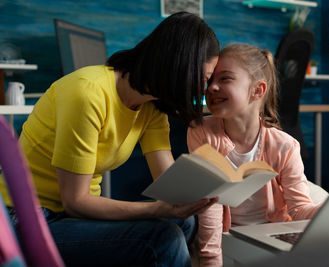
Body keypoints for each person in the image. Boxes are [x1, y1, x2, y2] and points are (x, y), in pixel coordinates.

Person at [0, 12, 219, 267]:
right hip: (28, 219)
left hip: (71, 215)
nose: (203, 90)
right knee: (164, 238)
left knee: (184, 221)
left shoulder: (152, 106)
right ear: (181, 67)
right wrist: (157, 209)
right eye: (203, 80)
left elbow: (169, 182)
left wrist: (206, 191)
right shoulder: (88, 93)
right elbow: (76, 202)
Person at [187, 43, 326, 266]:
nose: (211, 87)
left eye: (224, 79)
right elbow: (210, 205)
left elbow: (298, 209)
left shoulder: (285, 145)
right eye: (210, 80)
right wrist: (210, 259)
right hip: (229, 236)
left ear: (257, 90)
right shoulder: (201, 131)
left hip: (270, 233)